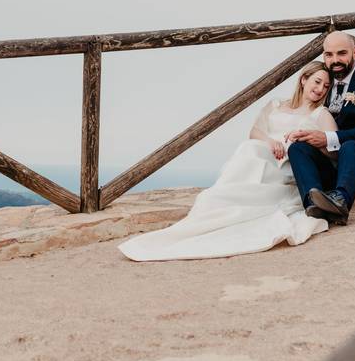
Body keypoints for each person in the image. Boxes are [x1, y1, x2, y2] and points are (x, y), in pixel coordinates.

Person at [118, 61, 336, 262]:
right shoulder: (276, 104)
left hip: (289, 163)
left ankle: (230, 204)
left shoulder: (321, 114)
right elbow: (255, 131)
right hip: (265, 150)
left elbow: (334, 150)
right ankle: (217, 203)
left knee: (252, 154)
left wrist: (306, 138)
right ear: (303, 79)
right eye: (317, 82)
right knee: (249, 148)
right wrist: (270, 141)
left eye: (326, 86)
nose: (320, 89)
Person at [286, 31, 355, 225]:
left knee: (350, 145)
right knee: (298, 148)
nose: (335, 60)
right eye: (329, 54)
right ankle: (314, 203)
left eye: (341, 53)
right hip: (330, 165)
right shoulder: (322, 85)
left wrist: (328, 138)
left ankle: (339, 202)